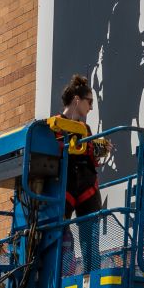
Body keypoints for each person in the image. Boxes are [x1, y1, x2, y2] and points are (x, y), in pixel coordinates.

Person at [57, 74, 102, 273]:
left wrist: (100, 148)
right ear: (77, 100)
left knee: (90, 241)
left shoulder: (86, 128)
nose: (91, 107)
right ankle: (62, 275)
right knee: (61, 238)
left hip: (87, 191)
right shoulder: (54, 125)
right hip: (63, 190)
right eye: (89, 102)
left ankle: (90, 276)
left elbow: (92, 160)